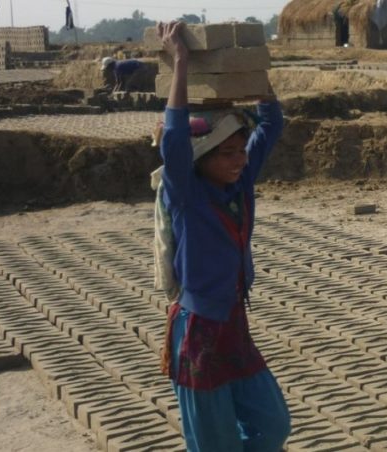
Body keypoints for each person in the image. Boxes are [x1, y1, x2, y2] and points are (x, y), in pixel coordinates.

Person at [151, 20, 289, 452]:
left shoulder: (239, 185)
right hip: (198, 334)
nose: (238, 160)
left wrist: (251, 74)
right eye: (227, 153)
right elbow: (174, 139)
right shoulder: (186, 194)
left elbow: (272, 123)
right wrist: (181, 62)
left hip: (233, 325)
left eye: (240, 151)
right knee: (216, 445)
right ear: (201, 157)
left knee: (273, 425)